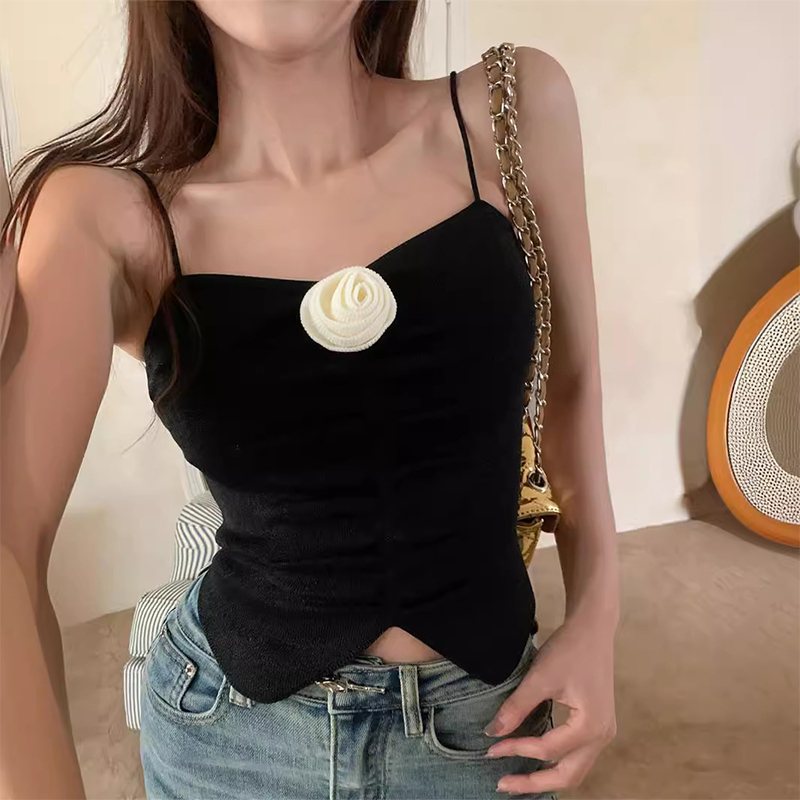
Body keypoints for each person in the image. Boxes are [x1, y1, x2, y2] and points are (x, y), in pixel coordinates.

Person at [0, 1, 619, 798]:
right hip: (231, 740)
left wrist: (598, 615)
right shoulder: (103, 216)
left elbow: (572, 382)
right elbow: (10, 542)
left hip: (486, 726)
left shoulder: (510, 108)